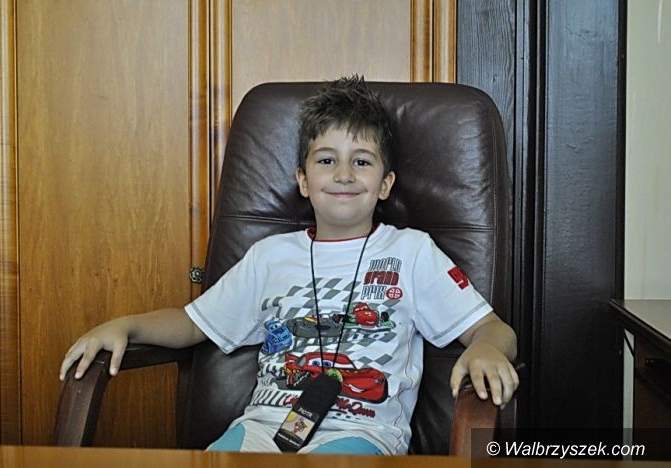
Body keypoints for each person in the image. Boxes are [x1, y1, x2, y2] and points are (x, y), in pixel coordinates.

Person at [60, 76, 518, 455]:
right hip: (262, 429)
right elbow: (192, 323)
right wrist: (125, 326)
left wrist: (487, 348)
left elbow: (492, 328)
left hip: (359, 435)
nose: (343, 174)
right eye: (326, 160)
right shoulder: (270, 256)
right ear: (303, 180)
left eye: (361, 161)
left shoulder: (412, 252)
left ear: (385, 184)